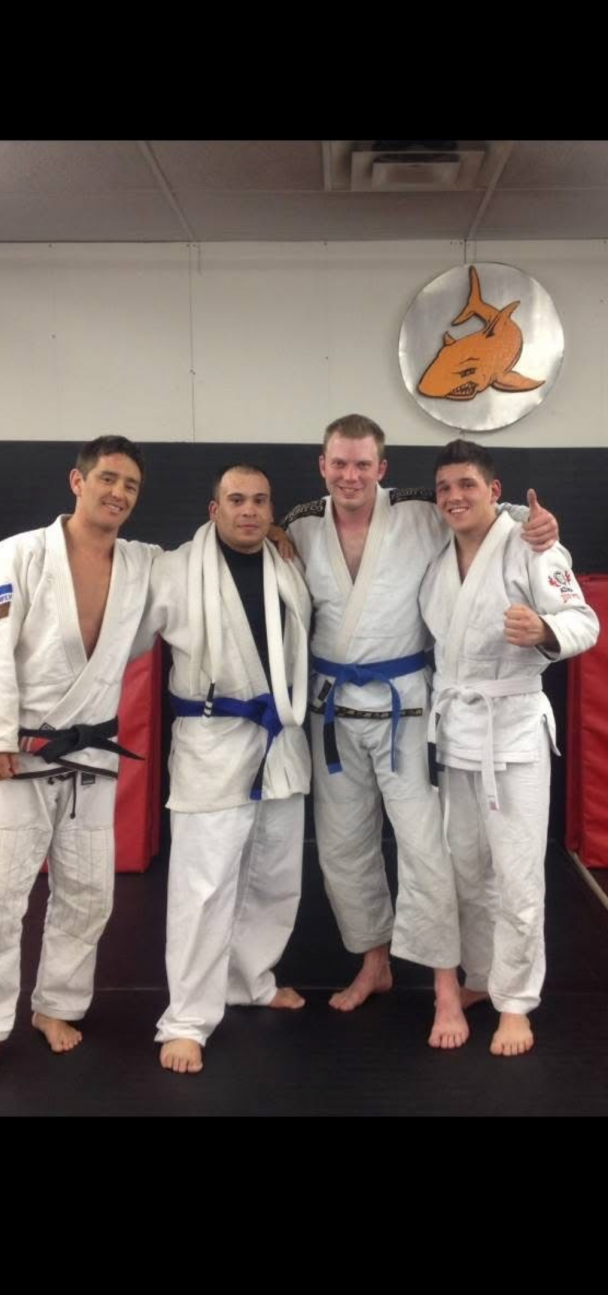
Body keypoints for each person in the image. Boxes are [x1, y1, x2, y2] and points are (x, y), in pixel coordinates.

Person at [279, 414, 558, 1048]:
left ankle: (445, 987)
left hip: (404, 710)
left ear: (382, 468)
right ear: (322, 466)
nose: (350, 476)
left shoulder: (418, 509)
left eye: (363, 464)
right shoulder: (299, 525)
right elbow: (260, 537)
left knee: (426, 850)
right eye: (339, 463)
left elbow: (482, 511)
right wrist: (270, 528)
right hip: (332, 713)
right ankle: (374, 963)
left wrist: (535, 521)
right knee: (343, 849)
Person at [0, 436, 160, 1088]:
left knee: (89, 892)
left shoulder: (142, 565)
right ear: (77, 481)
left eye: (130, 485)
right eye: (107, 479)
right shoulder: (19, 554)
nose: (118, 493)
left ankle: (55, 1005)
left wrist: (275, 532)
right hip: (21, 751)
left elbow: (207, 561)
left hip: (92, 753)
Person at [420, 439, 599, 1055]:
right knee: (466, 870)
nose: (454, 497)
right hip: (456, 732)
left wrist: (545, 629)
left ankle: (517, 1002)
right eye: (444, 488)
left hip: (514, 731)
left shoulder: (533, 545)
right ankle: (481, 977)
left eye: (466, 485)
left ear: (493, 491)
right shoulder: (438, 556)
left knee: (518, 874)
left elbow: (584, 620)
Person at [138, 464, 312, 1074]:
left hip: (281, 736)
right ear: (214, 509)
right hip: (212, 740)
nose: (249, 510)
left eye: (260, 501)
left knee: (274, 872)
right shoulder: (174, 570)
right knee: (203, 885)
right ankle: (186, 1020)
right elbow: (127, 631)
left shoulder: (286, 565)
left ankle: (249, 980)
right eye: (236, 500)